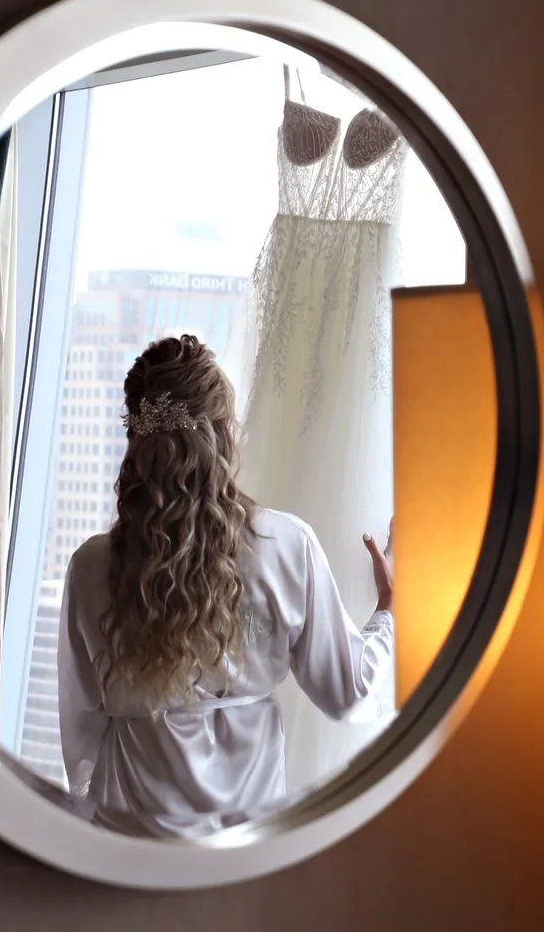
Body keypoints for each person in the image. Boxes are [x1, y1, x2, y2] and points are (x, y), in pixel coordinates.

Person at [56, 332, 394, 837]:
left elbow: (82, 738)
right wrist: (389, 606)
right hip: (240, 854)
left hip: (126, 844)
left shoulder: (90, 568)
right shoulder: (285, 546)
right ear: (224, 436)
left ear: (137, 441)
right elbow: (351, 691)